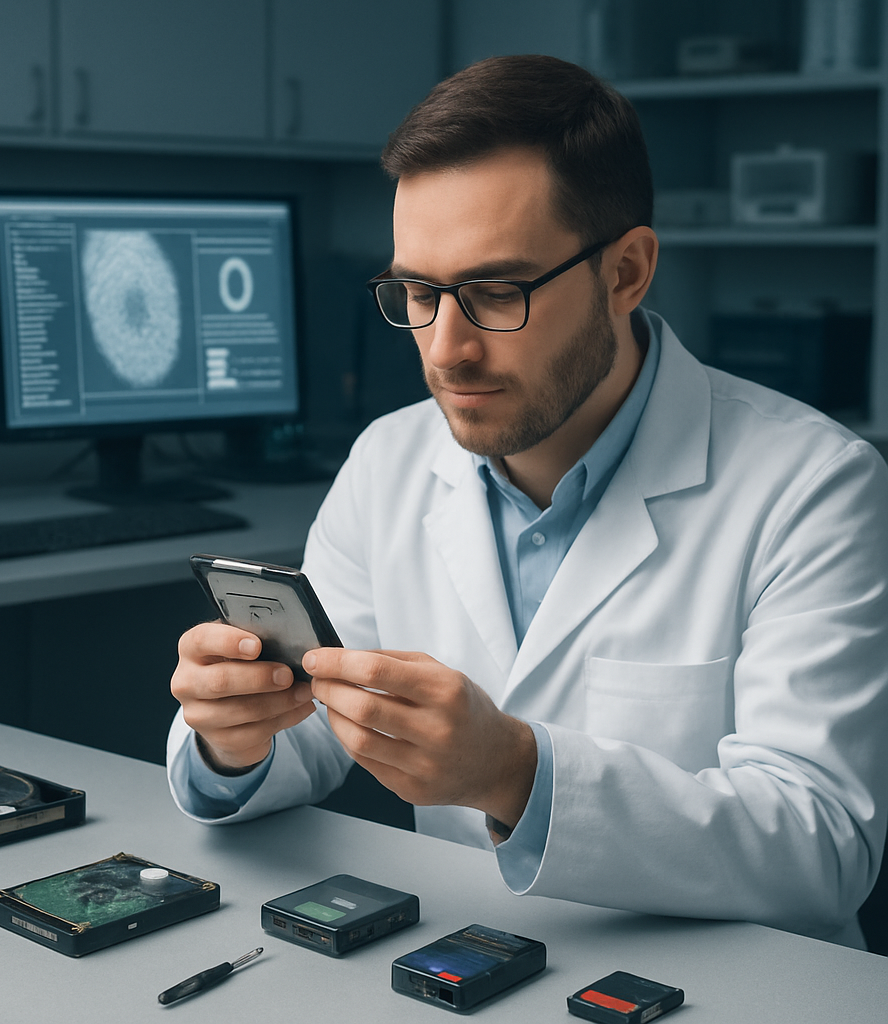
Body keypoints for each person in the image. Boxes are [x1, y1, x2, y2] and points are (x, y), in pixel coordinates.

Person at [167, 55, 888, 948]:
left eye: (496, 292)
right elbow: (315, 728)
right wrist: (234, 736)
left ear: (626, 272)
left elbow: (824, 843)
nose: (446, 349)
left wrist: (515, 772)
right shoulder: (389, 459)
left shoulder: (815, 485)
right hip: (466, 970)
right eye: (418, 294)